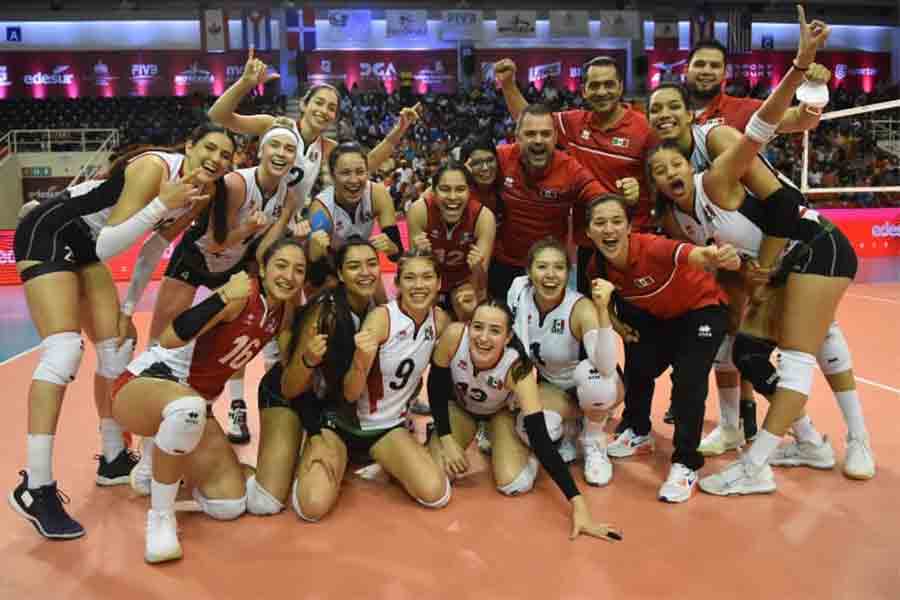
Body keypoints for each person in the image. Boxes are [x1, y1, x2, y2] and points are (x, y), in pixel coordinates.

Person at [676, 12, 874, 494]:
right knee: (750, 349)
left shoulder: (726, 125)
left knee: (811, 346)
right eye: (696, 64)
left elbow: (791, 124)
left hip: (803, 241)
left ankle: (849, 442)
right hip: (767, 253)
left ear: (721, 72)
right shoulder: (678, 155)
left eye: (711, 64)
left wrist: (808, 76)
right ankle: (806, 439)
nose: (703, 71)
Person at [9, 123, 234, 540]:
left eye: (226, 156)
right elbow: (109, 244)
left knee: (116, 348)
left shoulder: (199, 197)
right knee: (62, 352)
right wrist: (159, 204)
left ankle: (113, 457)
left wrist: (128, 307)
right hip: (53, 229)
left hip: (88, 243)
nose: (217, 160)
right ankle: (35, 486)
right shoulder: (154, 169)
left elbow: (149, 250)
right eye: (210, 148)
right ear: (189, 145)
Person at [110, 239, 306, 563]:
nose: (289, 275)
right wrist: (221, 298)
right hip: (148, 384)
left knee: (227, 505)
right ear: (263, 268)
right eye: (281, 265)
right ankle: (160, 519)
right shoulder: (241, 296)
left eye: (299, 270)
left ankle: (153, 461)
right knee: (186, 410)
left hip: (197, 406)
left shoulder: (281, 314)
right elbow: (171, 338)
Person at [122, 118, 307, 445]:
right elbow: (216, 242)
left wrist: (290, 237)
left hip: (235, 263)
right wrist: (248, 230)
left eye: (289, 149)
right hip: (196, 257)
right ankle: (145, 423)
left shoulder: (289, 198)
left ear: (295, 159)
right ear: (260, 152)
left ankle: (235, 405)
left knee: (242, 333)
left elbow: (264, 252)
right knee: (161, 341)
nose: (281, 153)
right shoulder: (236, 184)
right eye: (275, 146)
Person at [586, 194, 741, 502]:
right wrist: (617, 326)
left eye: (617, 221)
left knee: (688, 381)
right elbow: (597, 300)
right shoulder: (597, 265)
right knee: (638, 363)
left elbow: (690, 254)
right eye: (600, 223)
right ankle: (639, 432)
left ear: (629, 226)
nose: (609, 229)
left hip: (703, 308)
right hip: (665, 319)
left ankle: (686, 463)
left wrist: (713, 255)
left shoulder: (650, 247)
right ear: (588, 232)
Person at [427, 299, 623, 541]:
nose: (483, 337)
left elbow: (540, 437)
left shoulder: (517, 369)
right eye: (477, 327)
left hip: (499, 414)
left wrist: (578, 504)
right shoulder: (454, 336)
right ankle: (471, 437)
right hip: (461, 409)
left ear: (508, 337)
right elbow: (435, 387)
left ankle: (515, 446)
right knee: (436, 474)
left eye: (495, 331)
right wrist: (445, 437)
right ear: (468, 326)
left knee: (513, 484)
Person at [495, 55, 653, 293]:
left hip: (630, 239)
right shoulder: (572, 123)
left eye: (609, 84)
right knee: (591, 312)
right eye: (595, 85)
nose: (602, 92)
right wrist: (508, 85)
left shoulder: (645, 129)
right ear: (584, 91)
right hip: (588, 243)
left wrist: (636, 194)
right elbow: (530, 120)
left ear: (621, 87)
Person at [248, 238, 380, 516]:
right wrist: (316, 430)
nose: (365, 272)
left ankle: (304, 456)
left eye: (371, 264)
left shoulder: (377, 306)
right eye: (355, 266)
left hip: (327, 400)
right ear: (341, 274)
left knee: (314, 500)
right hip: (289, 394)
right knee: (265, 502)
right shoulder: (326, 312)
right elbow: (291, 386)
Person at [507, 238, 626, 486]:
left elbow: (606, 367)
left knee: (596, 379)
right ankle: (572, 426)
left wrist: (603, 310)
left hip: (593, 384)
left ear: (568, 271)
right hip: (551, 385)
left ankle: (594, 440)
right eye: (542, 267)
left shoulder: (580, 307)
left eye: (559, 267)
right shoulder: (518, 291)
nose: (550, 275)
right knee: (535, 430)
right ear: (529, 271)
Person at [487, 104, 611, 300]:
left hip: (548, 266)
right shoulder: (500, 158)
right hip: (504, 262)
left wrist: (622, 201)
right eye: (530, 134)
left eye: (545, 134)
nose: (538, 140)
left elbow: (601, 199)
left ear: (555, 138)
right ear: (517, 137)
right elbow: (458, 177)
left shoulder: (570, 169)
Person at [306, 142, 403, 294]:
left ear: (368, 173)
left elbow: (398, 255)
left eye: (360, 172)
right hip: (332, 270)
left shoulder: (378, 194)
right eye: (345, 173)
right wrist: (314, 251)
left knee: (380, 300)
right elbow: (315, 275)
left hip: (363, 263)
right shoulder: (321, 209)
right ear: (332, 175)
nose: (354, 180)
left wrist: (391, 247)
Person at [407, 163, 496, 321]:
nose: (453, 197)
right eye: (445, 189)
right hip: (431, 280)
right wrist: (422, 255)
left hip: (464, 282)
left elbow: (481, 283)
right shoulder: (419, 210)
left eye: (460, 189)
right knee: (422, 309)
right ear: (433, 192)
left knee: (467, 303)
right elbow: (414, 270)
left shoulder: (483, 217)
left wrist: (477, 267)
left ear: (470, 192)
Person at [686, 38, 830, 133]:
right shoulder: (667, 109)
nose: (706, 71)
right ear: (686, 70)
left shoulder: (745, 109)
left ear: (725, 73)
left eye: (715, 66)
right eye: (700, 64)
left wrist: (814, 90)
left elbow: (800, 120)